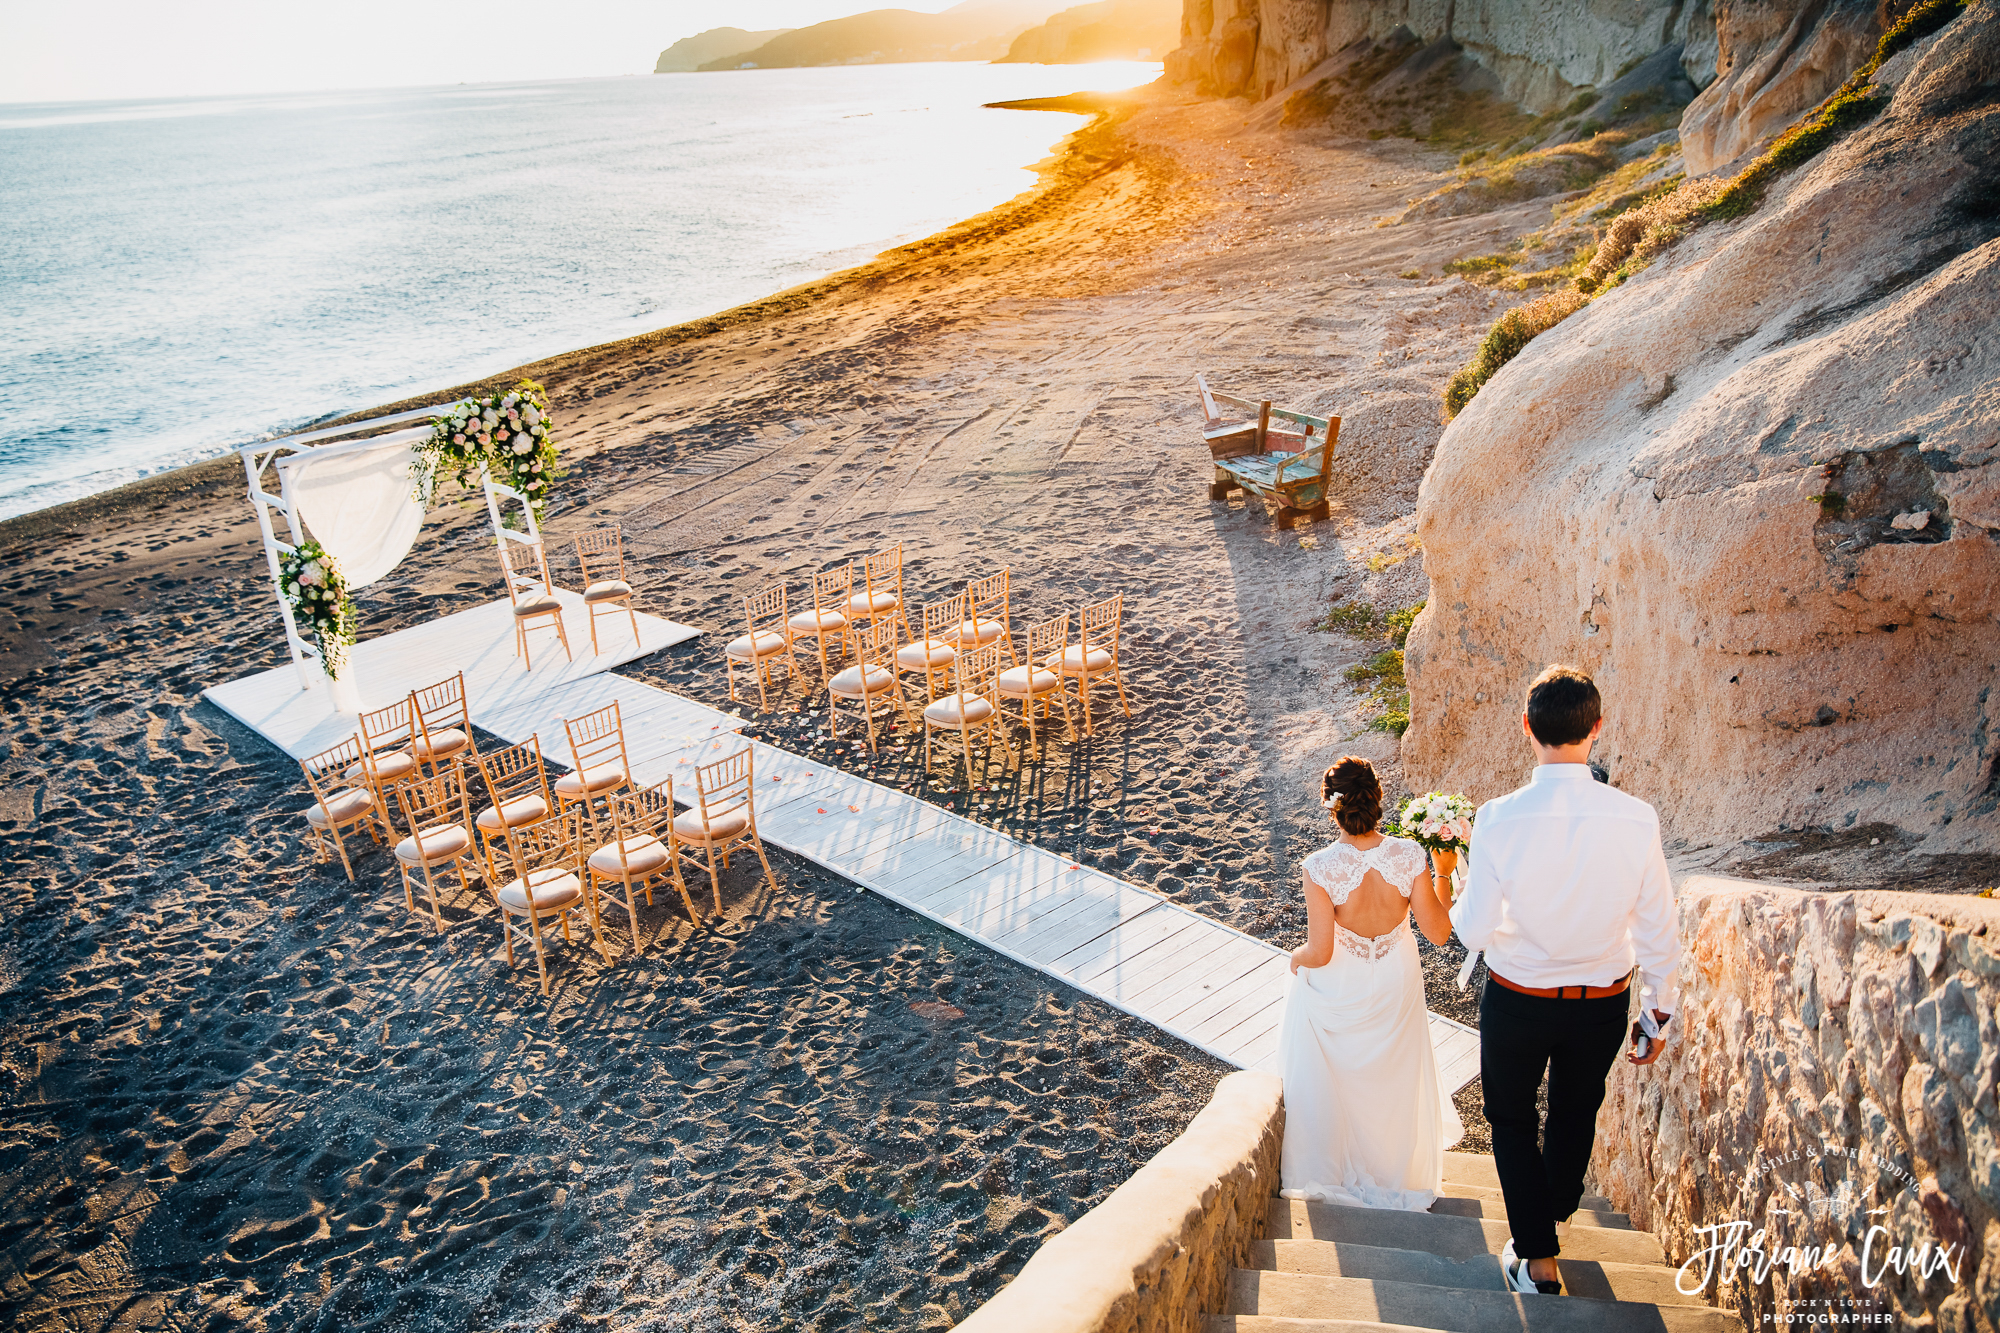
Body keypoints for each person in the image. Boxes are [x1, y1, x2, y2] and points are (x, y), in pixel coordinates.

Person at [1451, 665, 1680, 1296]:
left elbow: (1471, 930)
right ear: (1597, 729)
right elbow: (1659, 925)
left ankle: (1538, 1257)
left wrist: (1453, 888)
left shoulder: (1498, 818)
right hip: (1603, 1004)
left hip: (1518, 1000)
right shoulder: (1637, 818)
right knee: (1577, 1106)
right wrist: (1657, 1014)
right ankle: (1551, 1211)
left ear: (1527, 729)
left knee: (1511, 1117)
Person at [1277, 755, 1463, 1209]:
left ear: (1332, 805)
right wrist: (1442, 872)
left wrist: (1293, 960)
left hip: (1344, 985)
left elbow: (1319, 953)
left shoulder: (1319, 868)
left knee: (1335, 1064)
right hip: (1396, 980)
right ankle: (1400, 1174)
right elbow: (1439, 934)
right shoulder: (1410, 856)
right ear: (1378, 798)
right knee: (1394, 1077)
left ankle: (1334, 1165)